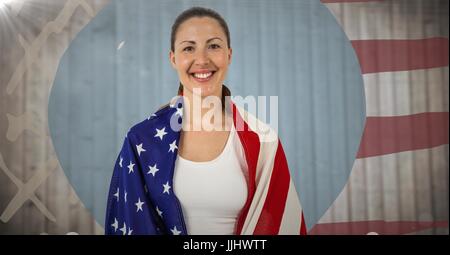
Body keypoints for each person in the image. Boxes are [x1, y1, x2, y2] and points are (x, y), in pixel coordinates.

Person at [105, 6, 306, 235]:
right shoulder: (140, 140)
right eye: (189, 48)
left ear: (229, 55)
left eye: (213, 46)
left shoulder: (263, 141)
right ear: (173, 59)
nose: (201, 59)